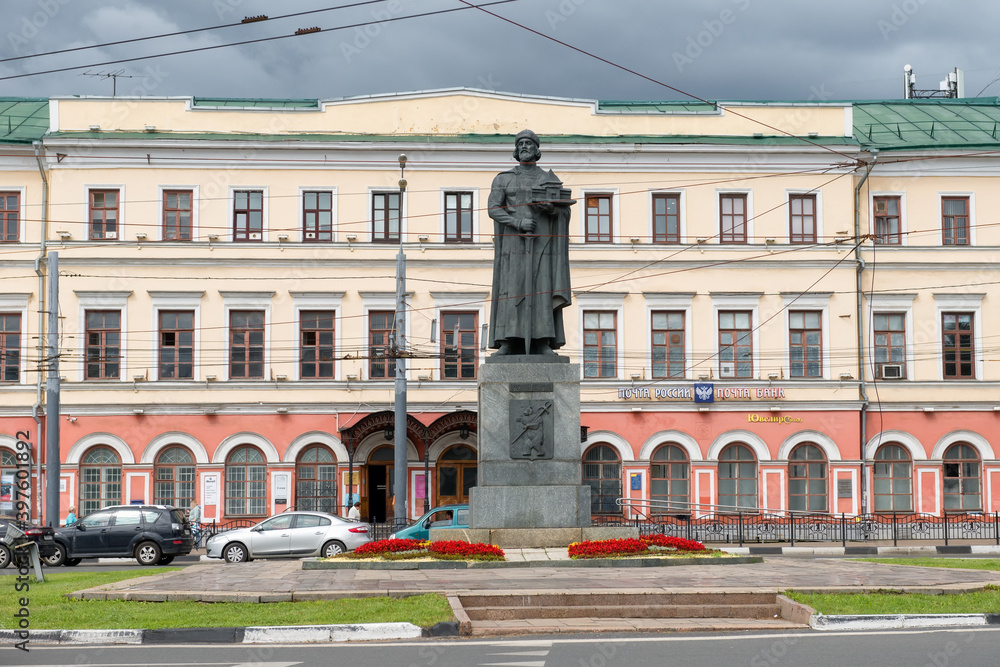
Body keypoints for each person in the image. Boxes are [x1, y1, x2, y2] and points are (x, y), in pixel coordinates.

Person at [488, 129, 574, 356]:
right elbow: (493, 209)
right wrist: (517, 222)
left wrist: (552, 210)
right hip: (513, 247)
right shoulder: (503, 178)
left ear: (537, 150)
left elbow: (563, 210)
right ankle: (508, 340)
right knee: (512, 290)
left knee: (542, 290)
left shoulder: (548, 179)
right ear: (516, 150)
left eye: (530, 143)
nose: (525, 146)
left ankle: (542, 340)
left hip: (543, 246)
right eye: (521, 143)